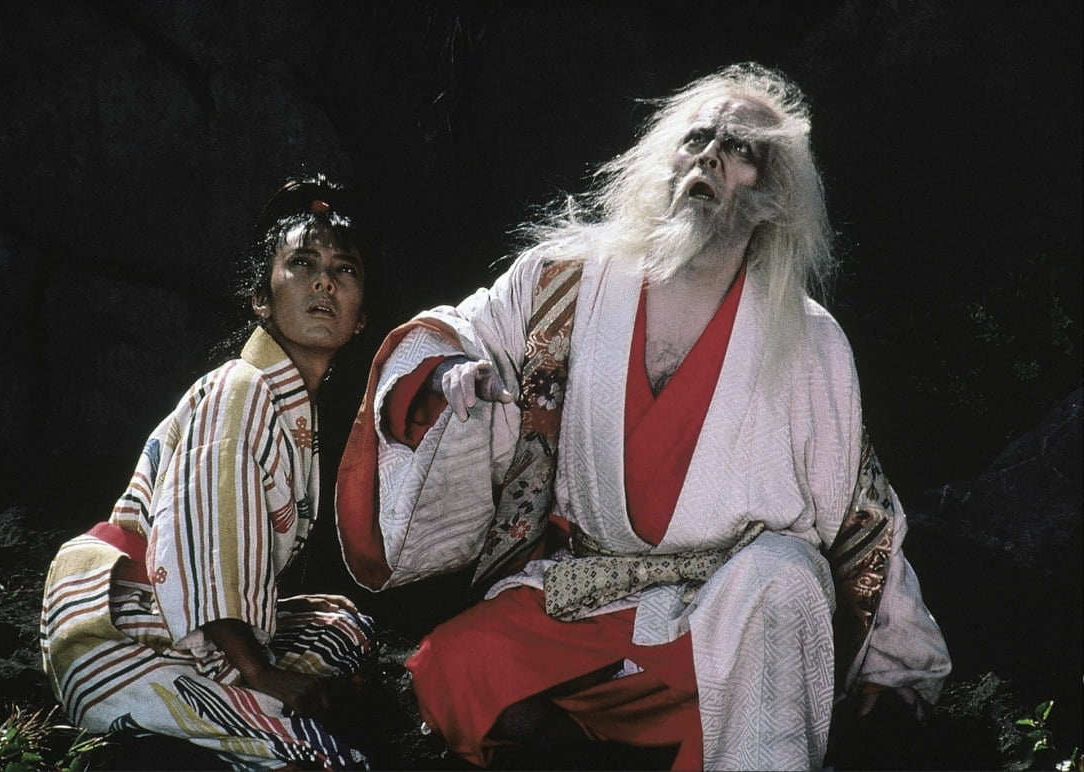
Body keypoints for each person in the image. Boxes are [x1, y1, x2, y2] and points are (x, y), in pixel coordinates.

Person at [336, 63, 951, 771]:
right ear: (666, 158)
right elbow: (468, 329)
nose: (709, 156)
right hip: (588, 592)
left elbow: (860, 509)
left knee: (782, 583)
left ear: (775, 194)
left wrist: (899, 659)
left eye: (739, 149)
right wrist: (447, 371)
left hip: (728, 611)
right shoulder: (565, 281)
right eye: (696, 139)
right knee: (453, 670)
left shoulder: (810, 340)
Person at [40, 176, 376, 770]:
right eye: (302, 263)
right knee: (324, 761)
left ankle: (229, 703)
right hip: (119, 631)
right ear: (262, 300)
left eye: (343, 269)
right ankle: (227, 706)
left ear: (361, 318)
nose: (325, 281)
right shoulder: (242, 388)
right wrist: (261, 673)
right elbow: (202, 544)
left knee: (345, 627)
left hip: (190, 629)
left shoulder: (295, 409)